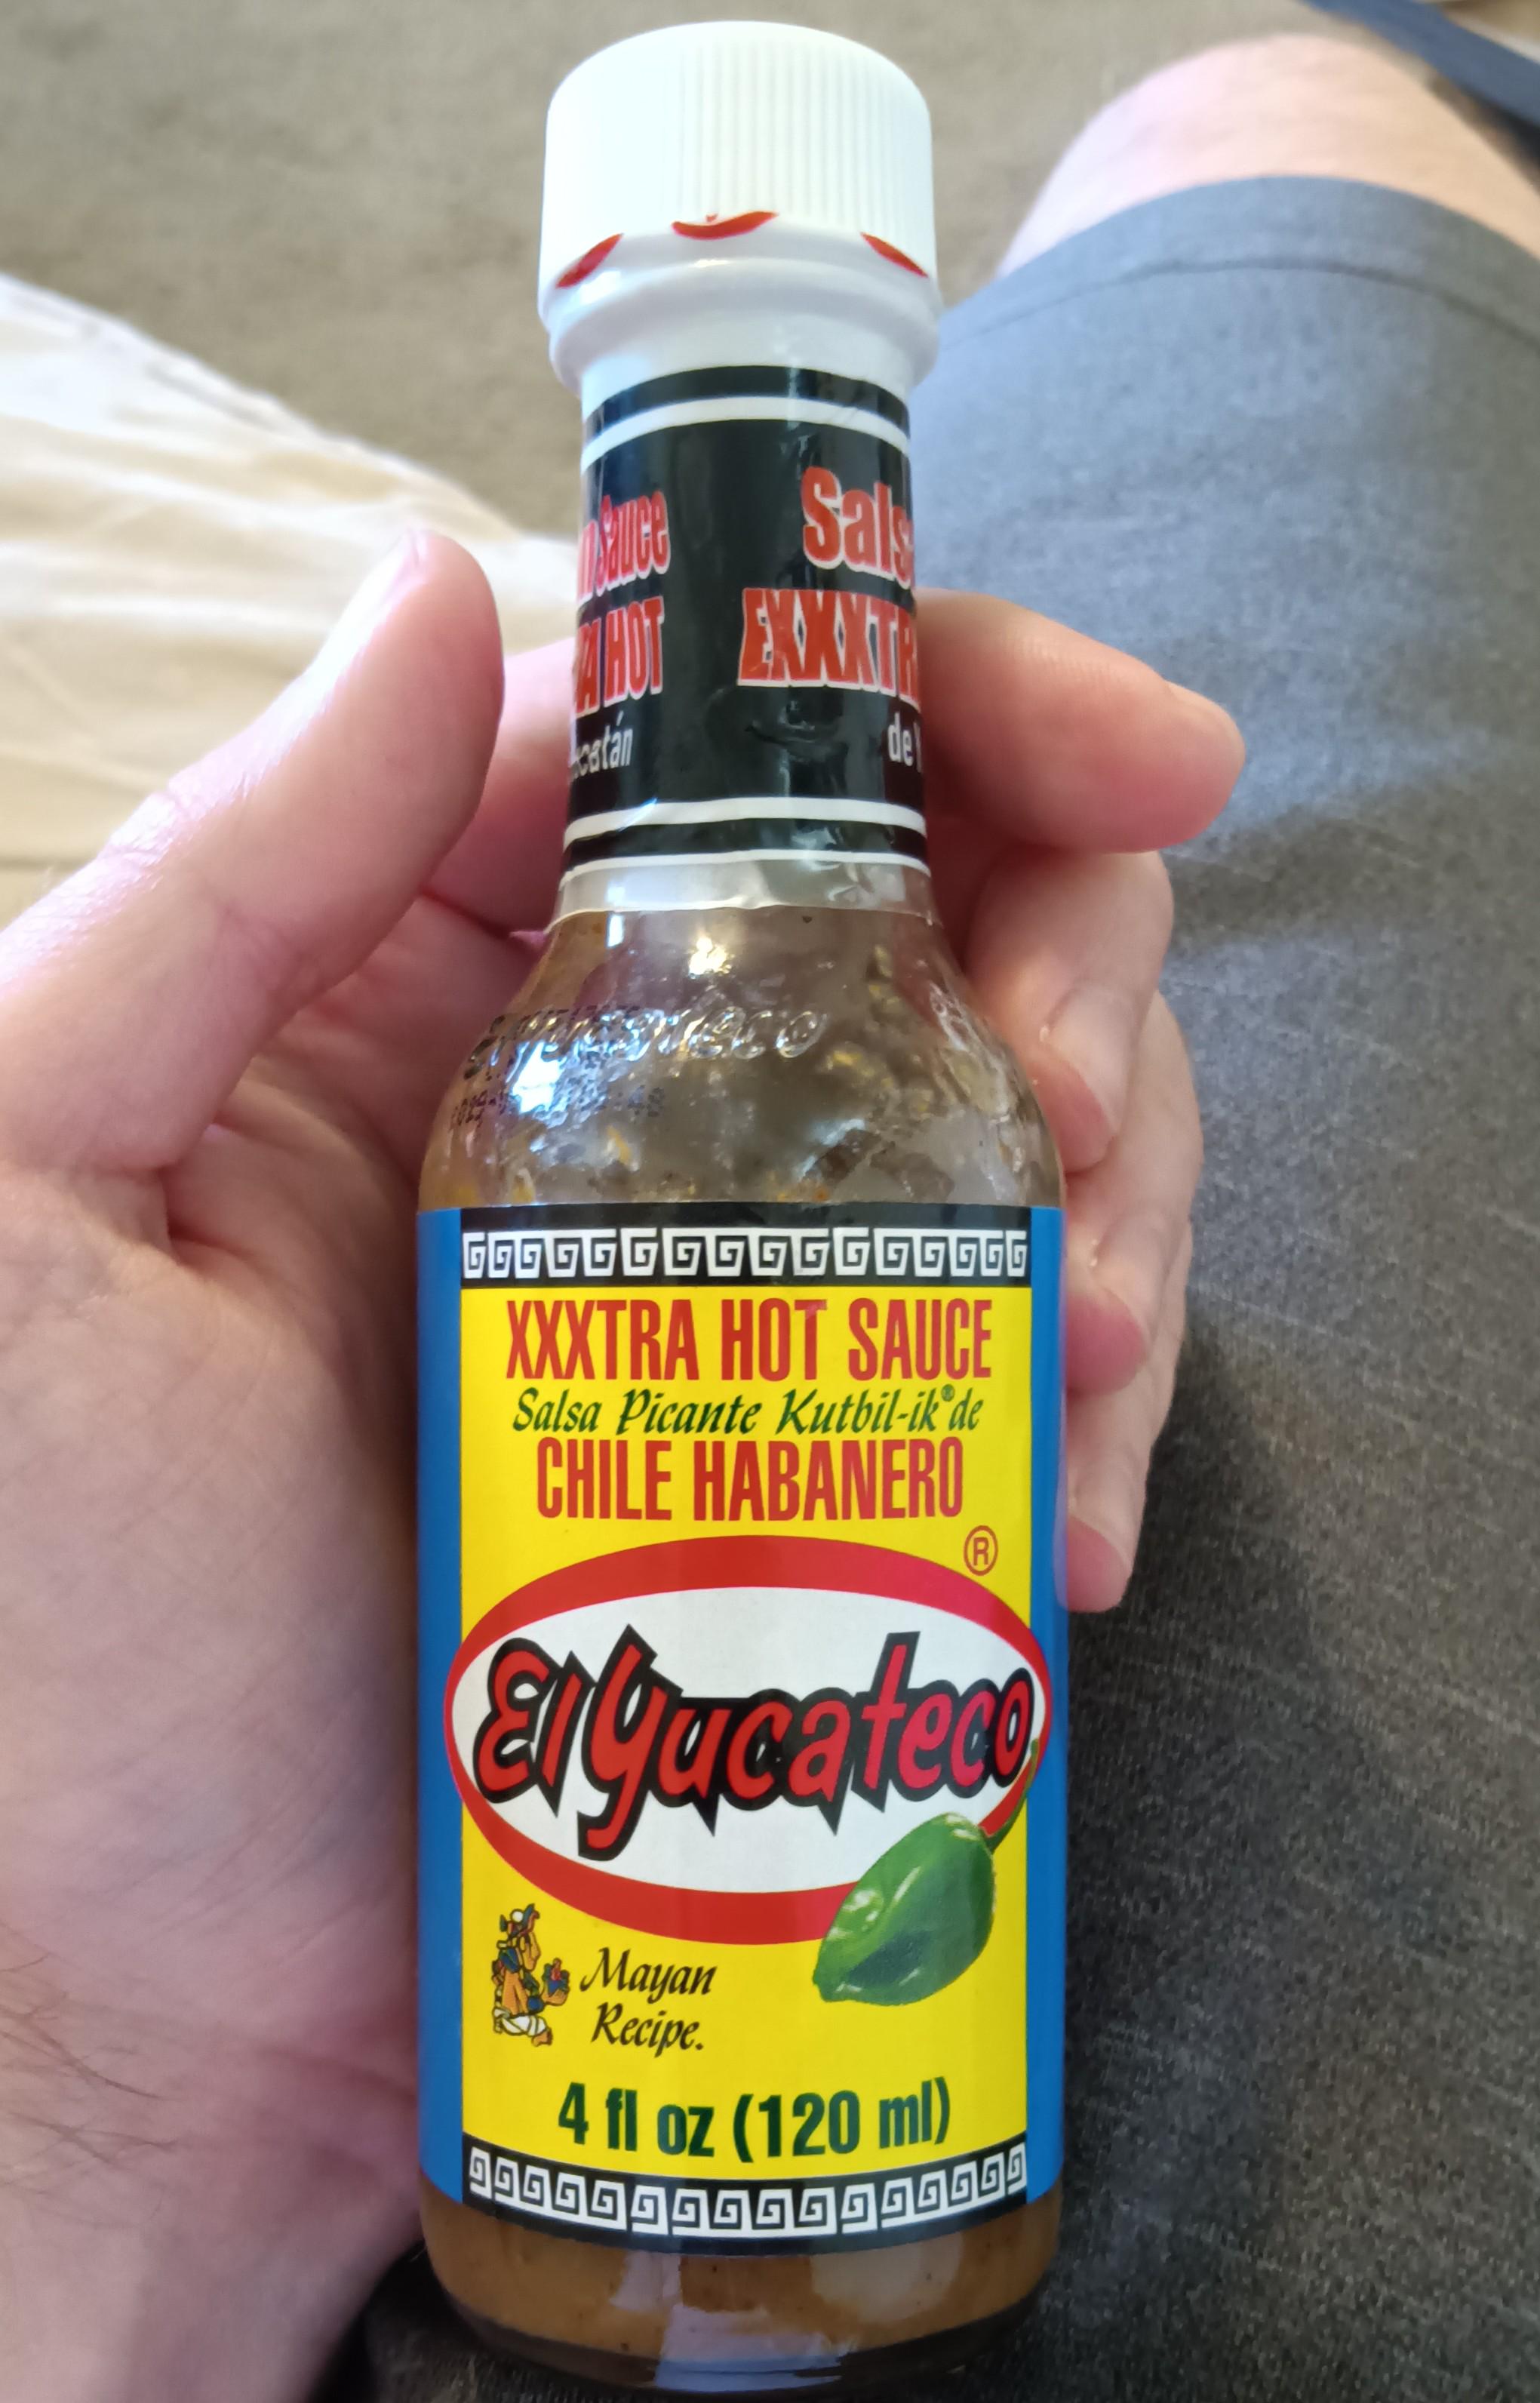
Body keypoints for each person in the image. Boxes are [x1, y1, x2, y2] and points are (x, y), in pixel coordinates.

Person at [0, 29, 1533, 2402]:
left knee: (1255, 133)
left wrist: (95, 2119)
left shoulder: (755, 1071)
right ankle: (1378, 97)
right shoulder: (563, 1082)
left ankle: (1335, 100)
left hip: (541, 2221)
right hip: (521, 2170)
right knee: (1287, 125)